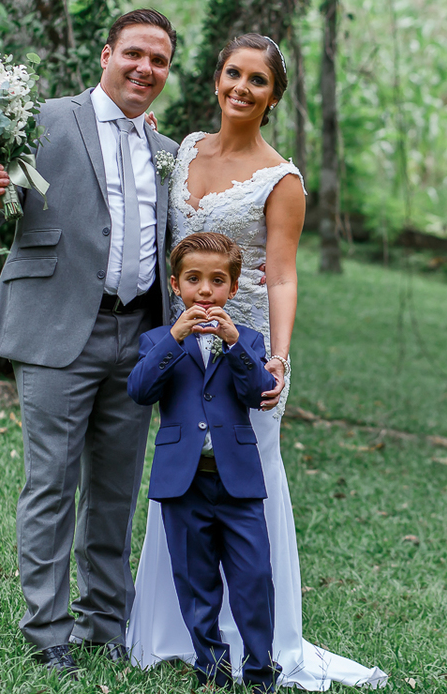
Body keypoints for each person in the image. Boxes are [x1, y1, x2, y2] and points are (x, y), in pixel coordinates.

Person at [126, 34, 387, 688]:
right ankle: (170, 632)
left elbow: (283, 275)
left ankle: (257, 643)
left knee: (246, 485)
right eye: (232, 74)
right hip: (183, 345)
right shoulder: (181, 150)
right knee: (180, 472)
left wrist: (279, 354)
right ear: (217, 79)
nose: (241, 88)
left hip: (247, 355)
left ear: (273, 97)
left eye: (258, 81)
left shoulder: (281, 179)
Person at [0, 9, 180, 678]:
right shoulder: (46, 119)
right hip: (59, 326)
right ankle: (46, 629)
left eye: (159, 61)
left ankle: (104, 624)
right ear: (106, 54)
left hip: (139, 334)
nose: (145, 69)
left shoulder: (167, 151)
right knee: (52, 484)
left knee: (116, 492)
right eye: (135, 54)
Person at [128, 232, 281, 693]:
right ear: (176, 285)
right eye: (193, 279)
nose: (205, 290)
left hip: (237, 484)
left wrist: (235, 346)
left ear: (233, 289)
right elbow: (139, 390)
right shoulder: (158, 340)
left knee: (254, 580)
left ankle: (259, 673)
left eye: (217, 281)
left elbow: (259, 394)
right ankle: (211, 669)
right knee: (196, 584)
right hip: (184, 484)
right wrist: (174, 338)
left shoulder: (249, 340)